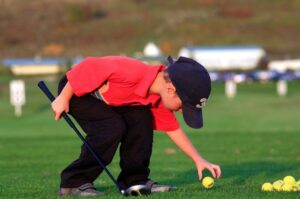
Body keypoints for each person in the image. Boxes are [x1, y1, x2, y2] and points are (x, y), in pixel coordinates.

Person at [52, 55, 221, 196]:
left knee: (141, 118)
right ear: (170, 90)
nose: (180, 111)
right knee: (112, 127)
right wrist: (63, 98)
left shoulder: (156, 98)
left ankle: (134, 181)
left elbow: (173, 129)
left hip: (105, 101)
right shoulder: (132, 72)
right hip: (76, 90)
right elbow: (89, 66)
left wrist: (198, 159)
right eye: (182, 106)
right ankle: (73, 182)